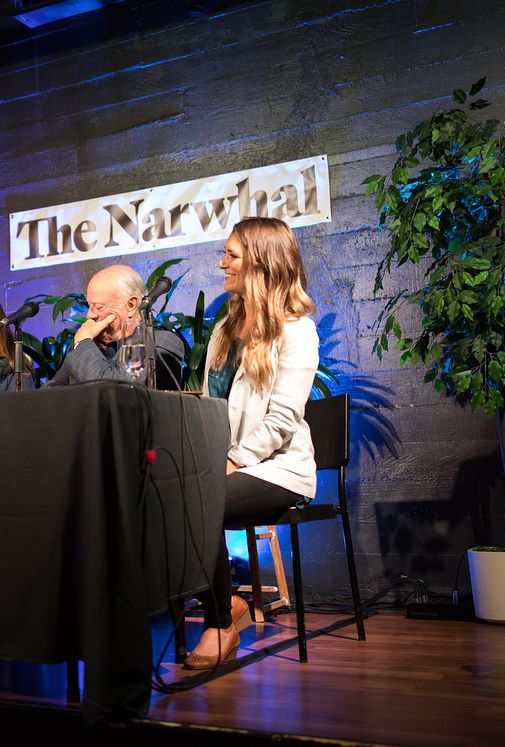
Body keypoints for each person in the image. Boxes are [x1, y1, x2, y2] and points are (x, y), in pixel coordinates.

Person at [184, 217, 319, 670]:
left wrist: (233, 460)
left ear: (261, 263)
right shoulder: (225, 328)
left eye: (232, 255)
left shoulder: (296, 331)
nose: (222, 264)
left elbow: (283, 420)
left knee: (201, 502)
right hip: (229, 464)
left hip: (280, 470)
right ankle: (227, 607)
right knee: (177, 494)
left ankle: (220, 624)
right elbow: (211, 406)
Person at [48, 264, 185, 388]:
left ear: (131, 305)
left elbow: (116, 391)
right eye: (89, 306)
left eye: (99, 307)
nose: (89, 315)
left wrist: (83, 342)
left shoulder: (161, 342)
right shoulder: (88, 348)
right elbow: (48, 395)